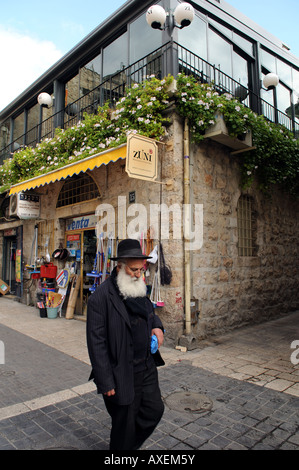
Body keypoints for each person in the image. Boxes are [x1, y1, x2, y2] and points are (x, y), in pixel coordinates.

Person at [86, 238, 165, 450]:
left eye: (141, 269)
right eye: (133, 270)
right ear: (119, 266)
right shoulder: (100, 298)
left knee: (154, 410)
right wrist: (105, 381)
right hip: (121, 373)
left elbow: (148, 309)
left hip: (146, 367)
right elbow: (96, 343)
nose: (139, 274)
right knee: (124, 425)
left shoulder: (139, 285)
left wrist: (157, 325)